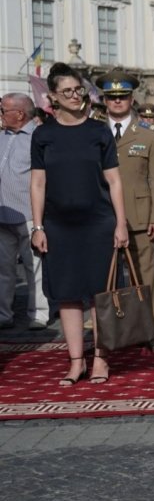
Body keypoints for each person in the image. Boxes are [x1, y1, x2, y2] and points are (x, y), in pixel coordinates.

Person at [30, 63, 129, 385]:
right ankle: (76, 362)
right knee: (67, 295)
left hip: (98, 223)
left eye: (79, 89)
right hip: (58, 226)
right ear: (53, 97)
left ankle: (100, 358)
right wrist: (38, 227)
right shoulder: (43, 134)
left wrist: (121, 224)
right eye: (68, 91)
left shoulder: (99, 131)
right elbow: (38, 184)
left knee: (101, 293)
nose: (76, 96)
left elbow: (114, 181)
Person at [94, 70, 154, 337]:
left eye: (123, 96)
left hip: (139, 216)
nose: (117, 101)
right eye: (112, 97)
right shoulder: (93, 131)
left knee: (144, 276)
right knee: (104, 276)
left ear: (131, 99)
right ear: (104, 100)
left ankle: (149, 328)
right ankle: (109, 327)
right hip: (102, 215)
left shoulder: (148, 134)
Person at [0, 93, 49, 330]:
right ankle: (4, 314)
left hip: (30, 214)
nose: (1, 115)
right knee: (4, 267)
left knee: (34, 267)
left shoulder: (38, 137)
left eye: (3, 110)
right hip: (2, 214)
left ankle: (39, 313)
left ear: (19, 114)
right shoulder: (1, 136)